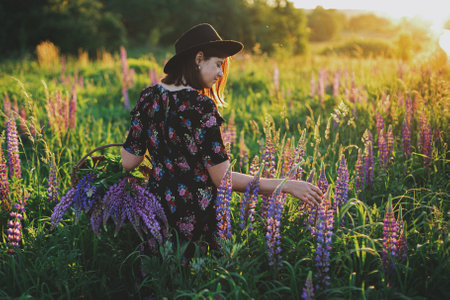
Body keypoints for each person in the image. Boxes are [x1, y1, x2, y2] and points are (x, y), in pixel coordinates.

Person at [121, 23, 322, 259]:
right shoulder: (200, 106)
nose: (221, 74)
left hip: (155, 213)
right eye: (218, 64)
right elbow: (222, 179)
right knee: (193, 285)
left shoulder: (148, 97)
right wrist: (285, 185)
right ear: (198, 58)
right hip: (195, 216)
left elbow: (129, 162)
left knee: (158, 281)